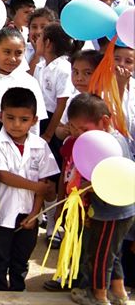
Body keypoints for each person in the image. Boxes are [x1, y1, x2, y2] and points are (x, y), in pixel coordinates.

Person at [0, 87, 59, 292]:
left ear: (35, 120)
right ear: (0, 116)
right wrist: (36, 186)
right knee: (0, 256)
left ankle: (18, 290)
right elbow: (3, 175)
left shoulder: (40, 145)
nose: (16, 125)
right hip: (2, 212)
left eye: (24, 119)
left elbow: (45, 183)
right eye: (10, 118)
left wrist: (35, 213)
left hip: (30, 212)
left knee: (22, 257)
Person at [66, 94, 135, 305]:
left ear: (104, 121)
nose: (79, 135)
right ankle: (120, 293)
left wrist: (81, 189)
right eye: (74, 129)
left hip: (110, 213)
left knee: (99, 256)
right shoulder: (118, 138)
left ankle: (98, 296)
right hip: (124, 211)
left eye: (84, 129)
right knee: (113, 254)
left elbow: (104, 178)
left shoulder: (109, 145)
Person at [0, 28, 47, 134]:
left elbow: (35, 123)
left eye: (18, 53)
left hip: (14, 135)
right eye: (7, 52)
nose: (12, 59)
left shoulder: (29, 83)